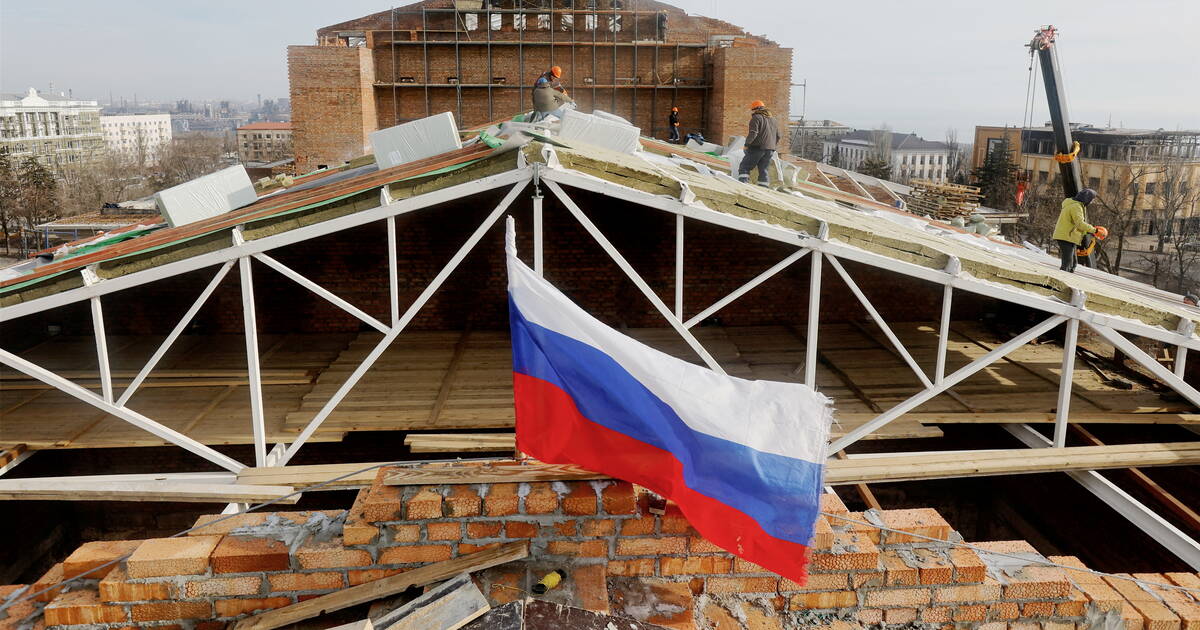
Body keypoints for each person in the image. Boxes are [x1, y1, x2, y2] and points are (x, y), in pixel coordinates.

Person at [1052, 188, 1106, 272]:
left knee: (1073, 264)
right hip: (1066, 237)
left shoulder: (1076, 205)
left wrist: (1088, 231)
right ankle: (1059, 279)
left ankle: (1067, 278)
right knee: (1067, 264)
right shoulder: (1076, 206)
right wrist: (1095, 230)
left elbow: (1076, 224)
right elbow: (1080, 223)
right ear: (1087, 199)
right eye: (1091, 199)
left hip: (1068, 237)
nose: (1091, 202)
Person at [738, 100, 781, 186]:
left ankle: (742, 185)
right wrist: (772, 147)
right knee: (763, 170)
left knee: (744, 166)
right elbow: (778, 135)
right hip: (770, 150)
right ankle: (764, 188)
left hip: (757, 147)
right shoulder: (773, 120)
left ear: (755, 109)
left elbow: (753, 133)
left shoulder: (756, 118)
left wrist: (747, 145)